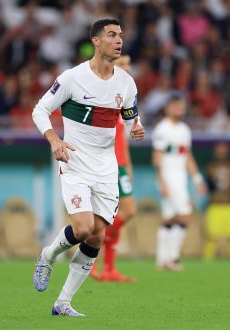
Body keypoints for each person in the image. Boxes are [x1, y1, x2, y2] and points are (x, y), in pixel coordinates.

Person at [32, 19, 145, 317]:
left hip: (107, 169)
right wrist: (54, 139)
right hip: (76, 164)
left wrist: (137, 127)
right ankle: (48, 255)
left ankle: (63, 303)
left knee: (97, 236)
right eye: (111, 35)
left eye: (120, 35)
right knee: (82, 228)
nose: (118, 40)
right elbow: (40, 109)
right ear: (96, 41)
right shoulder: (73, 78)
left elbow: (131, 115)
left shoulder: (126, 82)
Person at [90, 55, 138, 282]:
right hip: (108, 164)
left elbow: (124, 139)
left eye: (129, 64)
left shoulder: (125, 98)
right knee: (126, 211)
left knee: (120, 213)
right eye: (122, 64)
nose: (127, 68)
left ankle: (109, 269)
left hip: (120, 165)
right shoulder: (104, 97)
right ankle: (94, 245)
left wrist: (128, 166)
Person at [152, 92, 206, 271]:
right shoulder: (162, 129)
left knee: (169, 219)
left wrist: (197, 179)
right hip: (169, 175)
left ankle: (161, 260)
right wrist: (162, 182)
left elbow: (188, 156)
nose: (179, 109)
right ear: (168, 108)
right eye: (176, 106)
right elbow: (157, 157)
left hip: (181, 176)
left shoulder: (184, 129)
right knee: (185, 214)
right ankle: (172, 258)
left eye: (181, 106)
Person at [204, 141, 230, 260]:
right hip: (215, 206)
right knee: (211, 237)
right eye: (219, 150)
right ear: (215, 152)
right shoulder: (209, 167)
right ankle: (206, 265)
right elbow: (208, 186)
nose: (221, 153)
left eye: (224, 150)